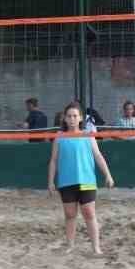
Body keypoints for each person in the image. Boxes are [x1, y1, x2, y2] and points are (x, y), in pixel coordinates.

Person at [46, 101, 115, 255]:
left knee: (89, 213)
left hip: (86, 181)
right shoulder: (59, 137)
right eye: (69, 116)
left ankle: (96, 248)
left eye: (75, 116)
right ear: (64, 118)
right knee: (70, 214)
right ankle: (70, 246)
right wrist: (51, 182)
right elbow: (54, 160)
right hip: (66, 181)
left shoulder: (88, 135)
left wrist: (108, 175)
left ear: (80, 118)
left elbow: (98, 156)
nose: (72, 119)